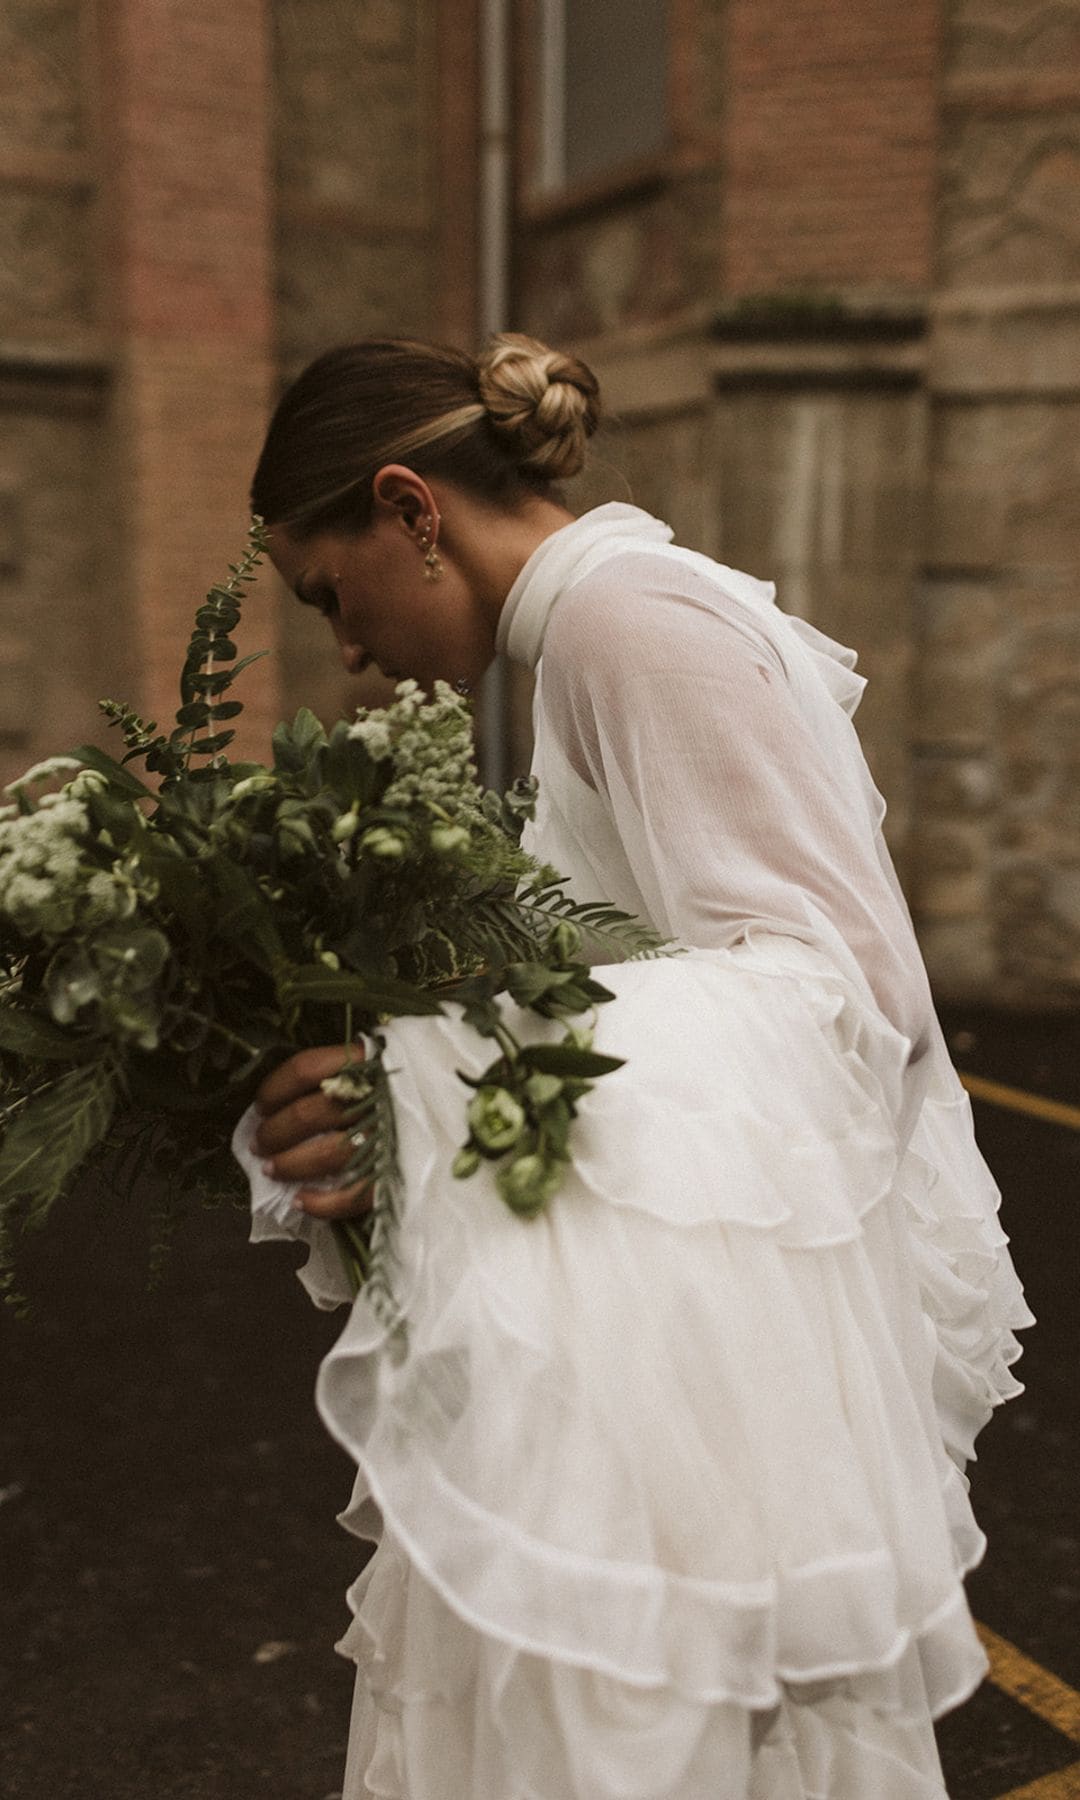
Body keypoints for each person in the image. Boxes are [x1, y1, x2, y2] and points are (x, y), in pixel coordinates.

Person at [239, 333, 1031, 1799]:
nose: (345, 651)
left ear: (413, 508)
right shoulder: (602, 624)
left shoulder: (624, 625)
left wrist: (434, 1087)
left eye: (329, 597)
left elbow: (844, 994)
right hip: (683, 1320)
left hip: (716, 1351)